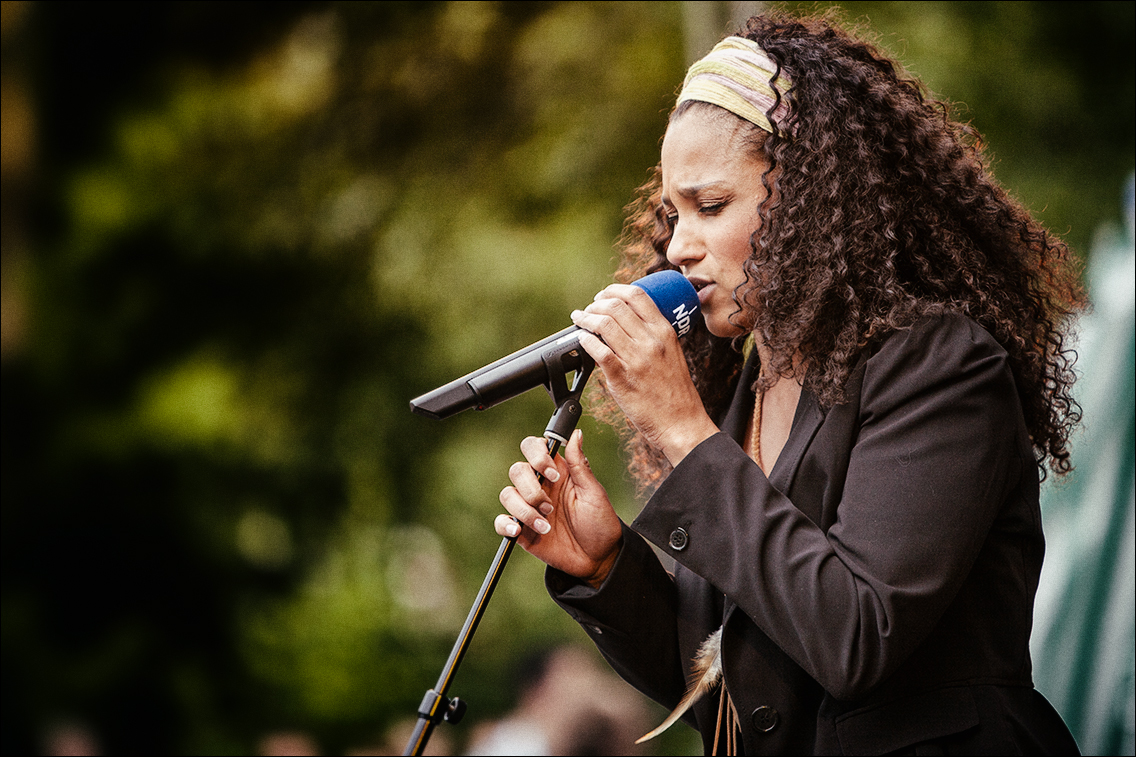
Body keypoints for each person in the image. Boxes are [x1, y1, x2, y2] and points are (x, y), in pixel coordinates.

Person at [495, 9, 1083, 755]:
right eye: (671, 214)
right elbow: (738, 681)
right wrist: (608, 566)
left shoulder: (939, 362)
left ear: (810, 200)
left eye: (711, 206)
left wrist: (684, 431)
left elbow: (855, 635)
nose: (678, 245)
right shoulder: (754, 389)